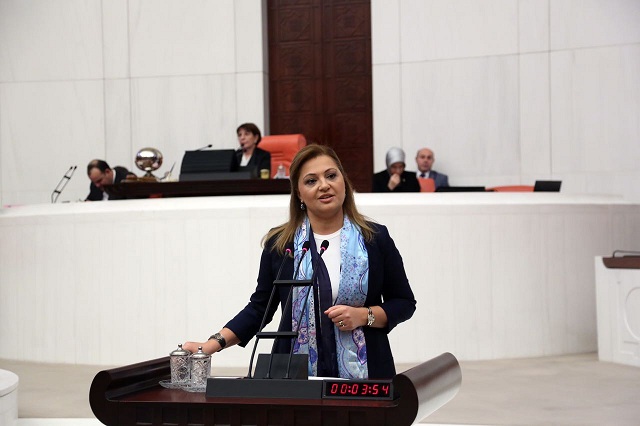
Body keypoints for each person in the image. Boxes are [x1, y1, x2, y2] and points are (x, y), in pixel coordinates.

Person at [184, 144, 416, 379]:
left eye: (331, 176)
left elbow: (404, 302)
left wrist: (364, 316)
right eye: (311, 181)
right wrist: (213, 344)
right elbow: (259, 308)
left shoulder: (374, 238)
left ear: (344, 182)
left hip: (368, 373)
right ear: (299, 194)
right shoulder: (281, 244)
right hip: (294, 375)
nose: (324, 185)